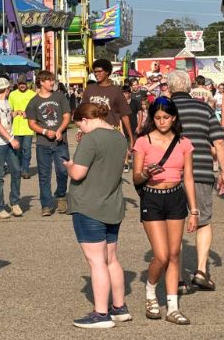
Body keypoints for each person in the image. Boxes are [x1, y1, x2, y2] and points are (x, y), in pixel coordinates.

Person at [132, 97, 198, 325]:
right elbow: (136, 177)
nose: (162, 122)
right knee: (161, 255)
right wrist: (146, 173)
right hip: (152, 197)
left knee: (174, 254)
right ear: (153, 118)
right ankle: (150, 291)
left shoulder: (184, 143)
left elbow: (188, 178)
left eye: (166, 117)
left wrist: (194, 210)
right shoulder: (143, 142)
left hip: (176, 197)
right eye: (158, 117)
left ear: (174, 118)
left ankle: (173, 307)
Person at [64, 102, 130, 329]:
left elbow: (78, 173)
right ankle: (119, 307)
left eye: (79, 125)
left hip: (89, 205)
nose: (80, 130)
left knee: (96, 261)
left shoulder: (91, 139)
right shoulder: (119, 137)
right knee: (111, 258)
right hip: (112, 203)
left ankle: (101, 313)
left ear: (85, 120)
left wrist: (69, 166)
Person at [166, 71, 224, 294]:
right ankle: (201, 271)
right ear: (189, 87)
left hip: (170, 175)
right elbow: (219, 142)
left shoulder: (163, 110)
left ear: (169, 88)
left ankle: (178, 277)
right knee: (203, 220)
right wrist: (223, 172)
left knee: (174, 223)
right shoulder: (204, 109)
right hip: (200, 172)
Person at [26, 70, 71, 216]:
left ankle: (61, 196)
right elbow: (31, 123)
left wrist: (60, 130)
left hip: (60, 142)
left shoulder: (60, 97)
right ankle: (46, 204)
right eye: (49, 80)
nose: (52, 83)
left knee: (63, 171)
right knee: (44, 175)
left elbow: (67, 116)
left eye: (53, 80)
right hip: (42, 143)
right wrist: (45, 131)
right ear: (41, 82)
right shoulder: (33, 102)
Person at [0, 77, 22, 219]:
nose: (10, 90)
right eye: (9, 88)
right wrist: (11, 139)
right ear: (6, 89)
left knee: (16, 170)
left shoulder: (6, 101)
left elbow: (6, 116)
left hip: (8, 141)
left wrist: (15, 113)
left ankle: (15, 202)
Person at [81, 59, 135, 150]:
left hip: (110, 133)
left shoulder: (116, 91)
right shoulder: (89, 89)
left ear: (107, 72)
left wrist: (131, 137)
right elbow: (83, 112)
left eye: (99, 71)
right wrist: (80, 130)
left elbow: (124, 115)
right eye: (95, 72)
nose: (96, 74)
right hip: (92, 134)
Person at [8, 76, 35, 178]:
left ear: (27, 84)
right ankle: (18, 169)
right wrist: (14, 112)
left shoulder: (32, 94)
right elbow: (9, 111)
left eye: (24, 83)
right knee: (18, 150)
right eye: (20, 84)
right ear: (17, 84)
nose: (22, 85)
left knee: (27, 150)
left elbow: (36, 110)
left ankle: (25, 170)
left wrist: (28, 114)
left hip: (29, 128)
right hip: (16, 128)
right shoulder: (12, 94)